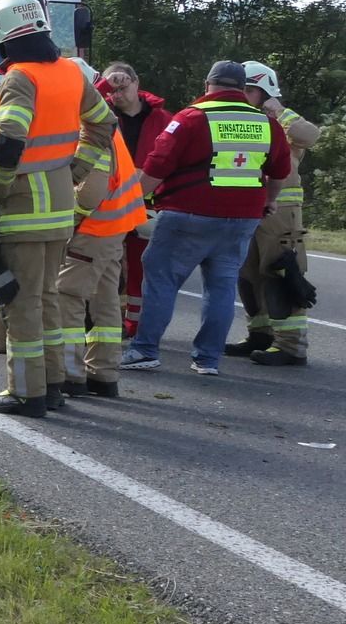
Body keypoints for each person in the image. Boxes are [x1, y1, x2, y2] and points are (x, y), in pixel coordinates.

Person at [0, 0, 114, 417]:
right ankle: (52, 384)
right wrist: (74, 172)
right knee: (47, 299)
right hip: (58, 207)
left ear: (2, 37)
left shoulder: (19, 78)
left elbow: (9, 141)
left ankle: (26, 392)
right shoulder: (72, 73)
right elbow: (104, 122)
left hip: (22, 207)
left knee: (19, 304)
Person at [121, 60, 291, 376]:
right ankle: (207, 359)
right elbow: (280, 171)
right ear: (243, 88)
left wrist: (129, 206)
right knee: (222, 287)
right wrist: (270, 201)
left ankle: (145, 350)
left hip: (187, 214)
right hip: (242, 219)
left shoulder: (191, 118)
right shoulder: (266, 123)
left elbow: (157, 166)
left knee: (161, 280)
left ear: (207, 85)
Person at [57, 60, 148, 398]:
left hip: (93, 228)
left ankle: (70, 374)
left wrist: (72, 218)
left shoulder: (87, 125)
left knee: (69, 295)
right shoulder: (104, 121)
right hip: (115, 225)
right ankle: (104, 375)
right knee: (106, 300)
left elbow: (92, 188)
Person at [226, 61, 321, 366]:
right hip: (247, 206)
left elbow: (311, 135)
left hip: (281, 212)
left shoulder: (283, 121)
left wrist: (280, 111)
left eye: (249, 90)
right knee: (248, 274)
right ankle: (260, 335)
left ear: (265, 92)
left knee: (279, 272)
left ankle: (291, 346)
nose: (243, 95)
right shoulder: (241, 119)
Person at [96, 61, 172, 336]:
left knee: (141, 266)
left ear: (137, 83)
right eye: (112, 89)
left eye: (122, 85)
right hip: (108, 202)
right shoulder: (101, 114)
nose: (117, 93)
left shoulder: (163, 119)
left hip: (148, 206)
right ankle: (109, 320)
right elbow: (77, 105)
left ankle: (136, 322)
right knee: (108, 266)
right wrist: (103, 85)